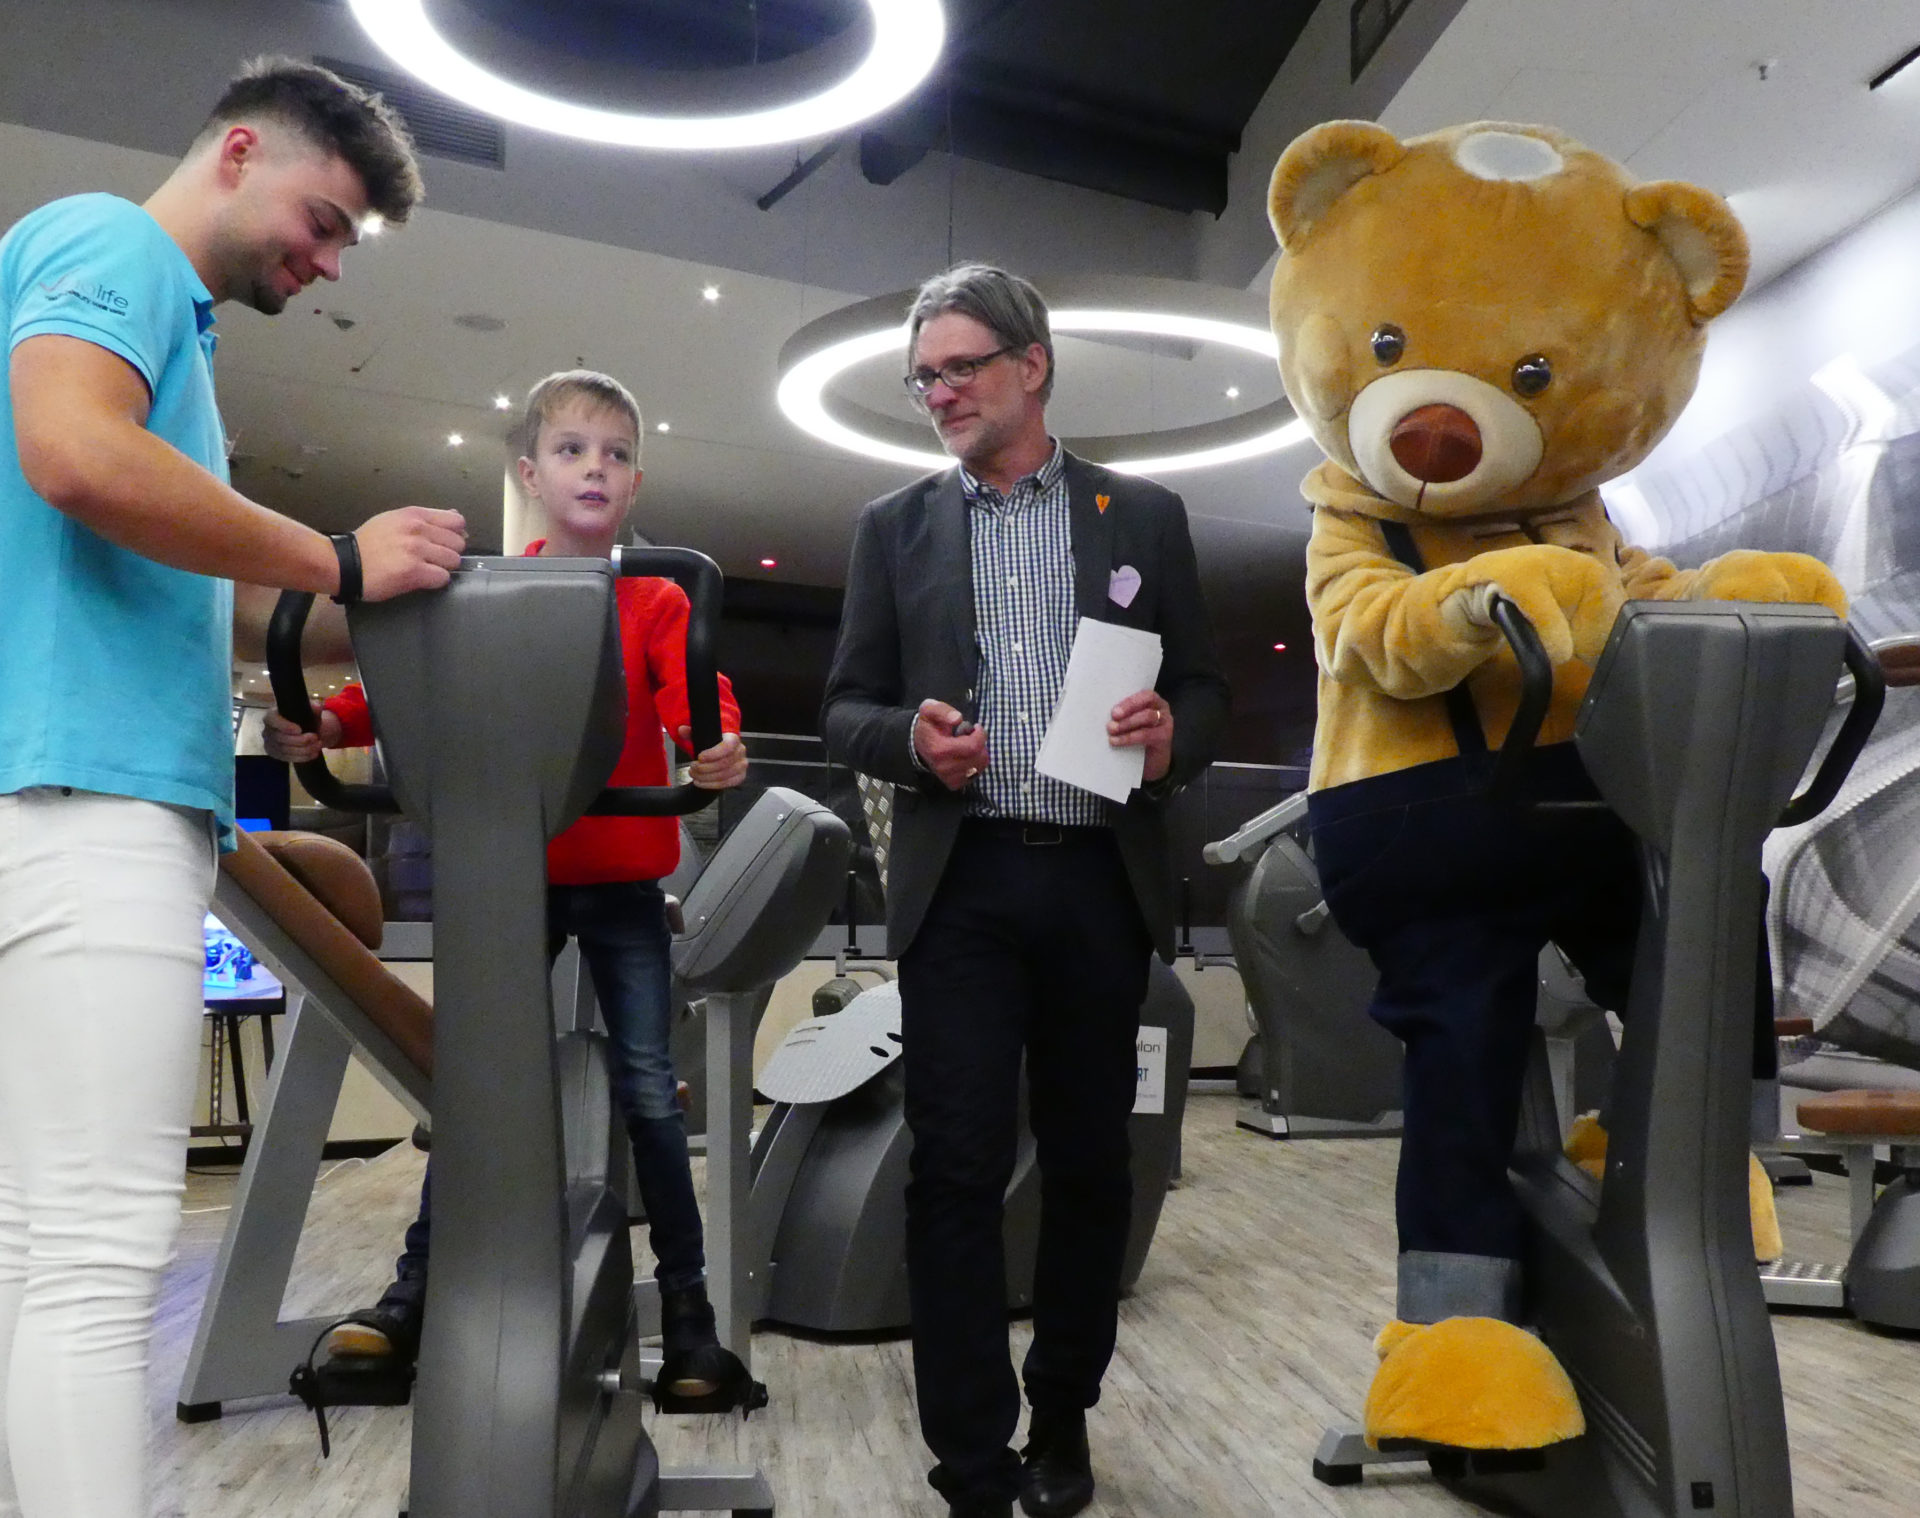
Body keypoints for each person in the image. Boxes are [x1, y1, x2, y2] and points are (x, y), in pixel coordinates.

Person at [0, 56, 464, 1518]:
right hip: (86, 805)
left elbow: (201, 585)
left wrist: (375, 608)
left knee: (34, 1250)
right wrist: (334, 554)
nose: (328, 264)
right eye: (324, 221)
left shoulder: (174, 348)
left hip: (64, 795)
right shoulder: (110, 242)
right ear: (242, 152)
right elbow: (73, 454)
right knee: (96, 1255)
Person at [819, 264, 1229, 1518]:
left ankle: (1062, 1418)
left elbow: (1204, 690)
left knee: (1092, 1163)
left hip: (1100, 879)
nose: (939, 393)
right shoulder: (894, 528)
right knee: (953, 1163)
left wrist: (1170, 737)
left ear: (1032, 365)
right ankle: (971, 1455)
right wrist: (912, 742)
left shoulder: (1140, 515)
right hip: (965, 885)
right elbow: (846, 708)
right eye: (923, 378)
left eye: (960, 367)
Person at [265, 369, 752, 1399]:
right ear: (531, 475)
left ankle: (692, 1322)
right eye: (573, 451)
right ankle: (413, 1298)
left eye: (616, 455)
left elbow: (693, 694)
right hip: (511, 879)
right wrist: (328, 725)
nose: (595, 469)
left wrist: (713, 744)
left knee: (650, 1096)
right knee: (479, 1086)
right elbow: (406, 683)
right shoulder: (484, 590)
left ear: (635, 482)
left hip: (622, 887)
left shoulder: (656, 594)